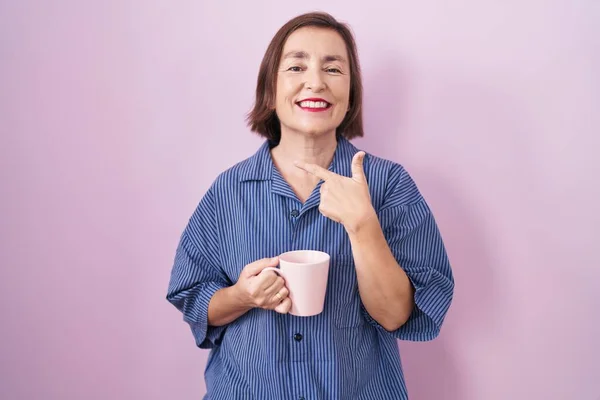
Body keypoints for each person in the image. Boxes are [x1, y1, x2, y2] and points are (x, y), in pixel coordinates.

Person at [167, 11, 454, 400]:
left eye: (333, 69)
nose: (315, 82)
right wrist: (243, 296)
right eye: (297, 66)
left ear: (350, 92)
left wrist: (362, 224)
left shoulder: (389, 185)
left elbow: (396, 315)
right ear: (271, 88)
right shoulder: (228, 192)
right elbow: (195, 300)